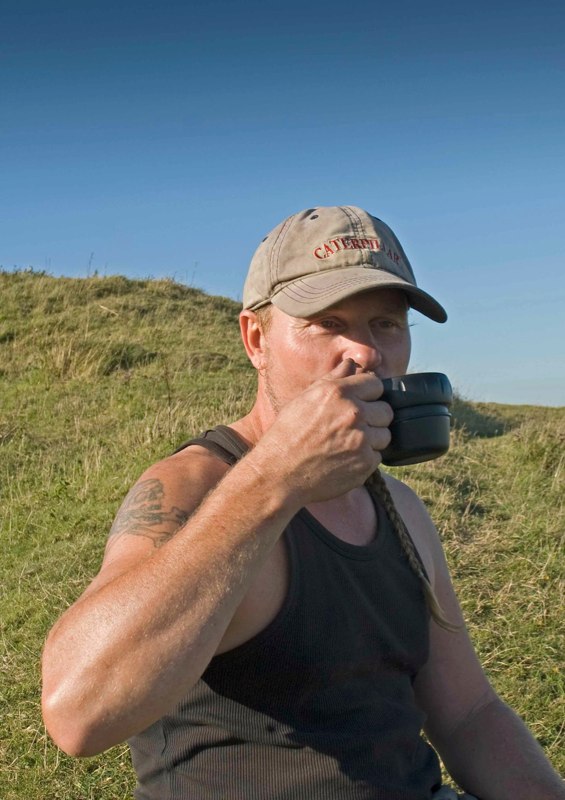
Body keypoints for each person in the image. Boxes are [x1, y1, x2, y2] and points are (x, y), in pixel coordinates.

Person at [42, 206, 565, 800]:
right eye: (327, 322)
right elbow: (77, 714)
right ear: (257, 339)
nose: (365, 352)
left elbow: (468, 712)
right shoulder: (193, 488)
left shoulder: (401, 509)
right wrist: (274, 480)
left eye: (386, 324)